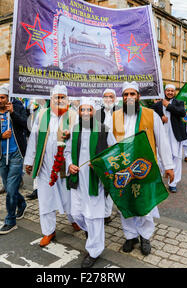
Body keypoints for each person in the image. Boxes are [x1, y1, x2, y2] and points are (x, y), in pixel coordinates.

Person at [109, 81, 175, 256]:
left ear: (138, 96)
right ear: (122, 98)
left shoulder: (150, 115)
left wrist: (168, 166)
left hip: (145, 168)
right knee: (126, 203)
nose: (129, 98)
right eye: (126, 95)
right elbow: (108, 143)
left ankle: (145, 236)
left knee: (145, 204)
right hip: (122, 169)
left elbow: (162, 141)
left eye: (132, 94)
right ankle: (130, 236)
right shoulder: (114, 116)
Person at [24, 85, 80, 247]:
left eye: (63, 97)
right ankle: (49, 231)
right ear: (51, 99)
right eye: (57, 97)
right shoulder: (42, 115)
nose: (60, 100)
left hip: (66, 166)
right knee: (46, 199)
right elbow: (34, 139)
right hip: (45, 166)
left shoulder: (74, 116)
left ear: (67, 99)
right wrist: (29, 161)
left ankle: (74, 220)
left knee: (70, 197)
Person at [65, 97, 115, 268]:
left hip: (95, 180)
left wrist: (101, 164)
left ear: (94, 112)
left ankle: (94, 250)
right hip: (78, 179)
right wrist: (69, 165)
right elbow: (67, 151)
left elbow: (114, 153)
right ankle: (92, 235)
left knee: (94, 217)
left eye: (89, 110)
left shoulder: (104, 130)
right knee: (77, 213)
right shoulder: (75, 129)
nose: (85, 113)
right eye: (82, 110)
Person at [0, 84, 29, 234]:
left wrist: (13, 113)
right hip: (2, 156)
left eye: (2, 97)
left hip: (17, 154)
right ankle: (21, 204)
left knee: (10, 190)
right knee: (10, 187)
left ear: (8, 98)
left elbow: (26, 125)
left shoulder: (17, 107)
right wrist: (1, 136)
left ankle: (10, 220)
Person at [151, 84, 187, 193]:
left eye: (172, 91)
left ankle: (173, 183)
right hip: (161, 135)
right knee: (160, 157)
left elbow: (182, 112)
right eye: (168, 91)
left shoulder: (179, 103)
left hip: (175, 135)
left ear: (175, 92)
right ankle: (162, 178)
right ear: (165, 91)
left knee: (175, 158)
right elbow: (149, 113)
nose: (170, 93)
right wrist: (160, 117)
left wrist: (168, 105)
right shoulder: (157, 104)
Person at [96, 88, 120, 224]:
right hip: (101, 150)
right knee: (101, 182)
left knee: (111, 182)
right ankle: (100, 210)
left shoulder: (121, 112)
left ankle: (107, 213)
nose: (108, 99)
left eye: (111, 96)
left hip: (116, 151)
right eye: (106, 96)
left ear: (115, 98)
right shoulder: (97, 113)